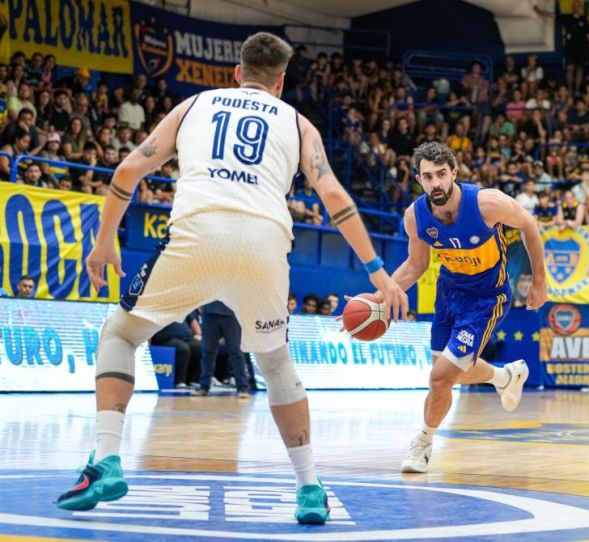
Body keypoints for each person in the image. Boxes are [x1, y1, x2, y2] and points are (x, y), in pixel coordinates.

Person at [55, 32, 407, 526]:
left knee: (120, 333)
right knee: (276, 364)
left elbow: (129, 170)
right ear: (281, 82)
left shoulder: (194, 105)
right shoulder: (299, 123)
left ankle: (107, 459)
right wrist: (378, 272)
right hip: (264, 246)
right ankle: (308, 486)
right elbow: (333, 196)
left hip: (195, 237)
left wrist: (105, 241)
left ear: (238, 73)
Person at [384, 141, 546, 474]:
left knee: (440, 378)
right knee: (446, 374)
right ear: (419, 179)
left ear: (454, 173)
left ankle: (423, 442)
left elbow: (529, 224)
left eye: (441, 174)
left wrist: (539, 281)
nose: (436, 182)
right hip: (448, 292)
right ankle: (504, 376)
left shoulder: (487, 202)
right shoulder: (415, 216)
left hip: (486, 298)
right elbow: (416, 265)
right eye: (428, 176)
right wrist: (379, 295)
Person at [193, 301, 250, 398]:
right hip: (210, 313)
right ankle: (204, 386)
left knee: (236, 351)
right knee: (207, 351)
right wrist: (199, 305)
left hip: (232, 313)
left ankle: (243, 387)